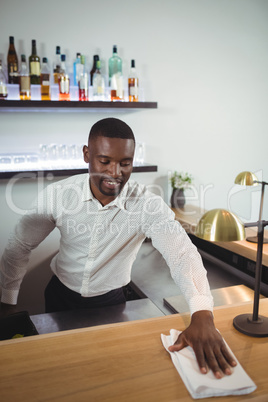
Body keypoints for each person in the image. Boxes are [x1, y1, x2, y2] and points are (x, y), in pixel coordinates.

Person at [0, 117, 236, 378]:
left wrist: (202, 312)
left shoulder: (146, 204)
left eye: (125, 163)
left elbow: (182, 253)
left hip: (111, 304)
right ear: (86, 155)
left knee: (107, 373)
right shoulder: (59, 196)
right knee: (61, 373)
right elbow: (20, 245)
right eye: (105, 161)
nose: (115, 173)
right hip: (59, 297)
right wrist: (7, 300)